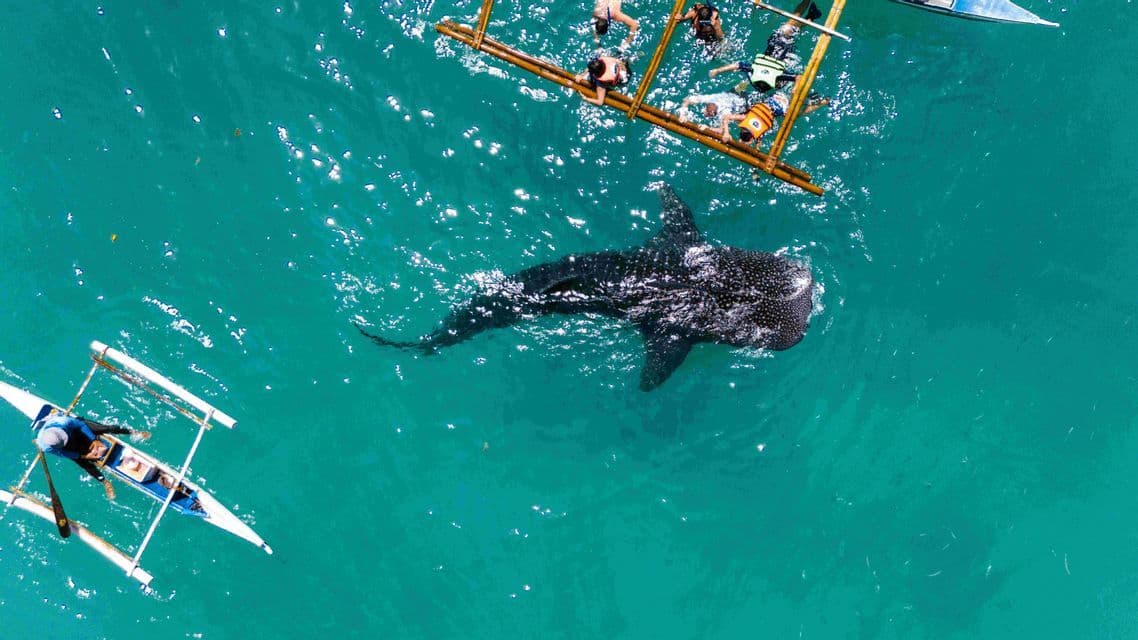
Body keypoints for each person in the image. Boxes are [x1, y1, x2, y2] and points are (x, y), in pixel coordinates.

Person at [707, 0, 822, 94]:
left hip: (777, 45)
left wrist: (718, 70)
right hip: (782, 46)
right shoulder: (778, 76)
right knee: (792, 23)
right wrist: (795, 89)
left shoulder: (759, 71)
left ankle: (811, 16)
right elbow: (798, 77)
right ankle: (808, 5)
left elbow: (738, 65)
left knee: (794, 29)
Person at [35, 413, 150, 500]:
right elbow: (63, 453)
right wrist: (84, 456)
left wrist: (94, 439)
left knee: (107, 428)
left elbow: (80, 425)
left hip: (74, 429)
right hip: (67, 444)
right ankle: (104, 481)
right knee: (83, 464)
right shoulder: (47, 447)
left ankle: (134, 432)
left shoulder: (63, 422)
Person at [719, 89, 829, 147]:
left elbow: (758, 143)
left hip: (781, 108)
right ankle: (815, 99)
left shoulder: (756, 133)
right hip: (774, 97)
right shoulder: (744, 118)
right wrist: (726, 132)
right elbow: (726, 117)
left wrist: (726, 133)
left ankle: (823, 102)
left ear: (752, 139)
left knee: (797, 114)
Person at [679, 91, 747, 123]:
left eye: (706, 113)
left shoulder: (724, 112)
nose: (704, 113)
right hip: (731, 94)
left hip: (741, 103)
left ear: (711, 114)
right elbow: (687, 99)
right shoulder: (709, 99)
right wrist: (682, 114)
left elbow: (721, 129)